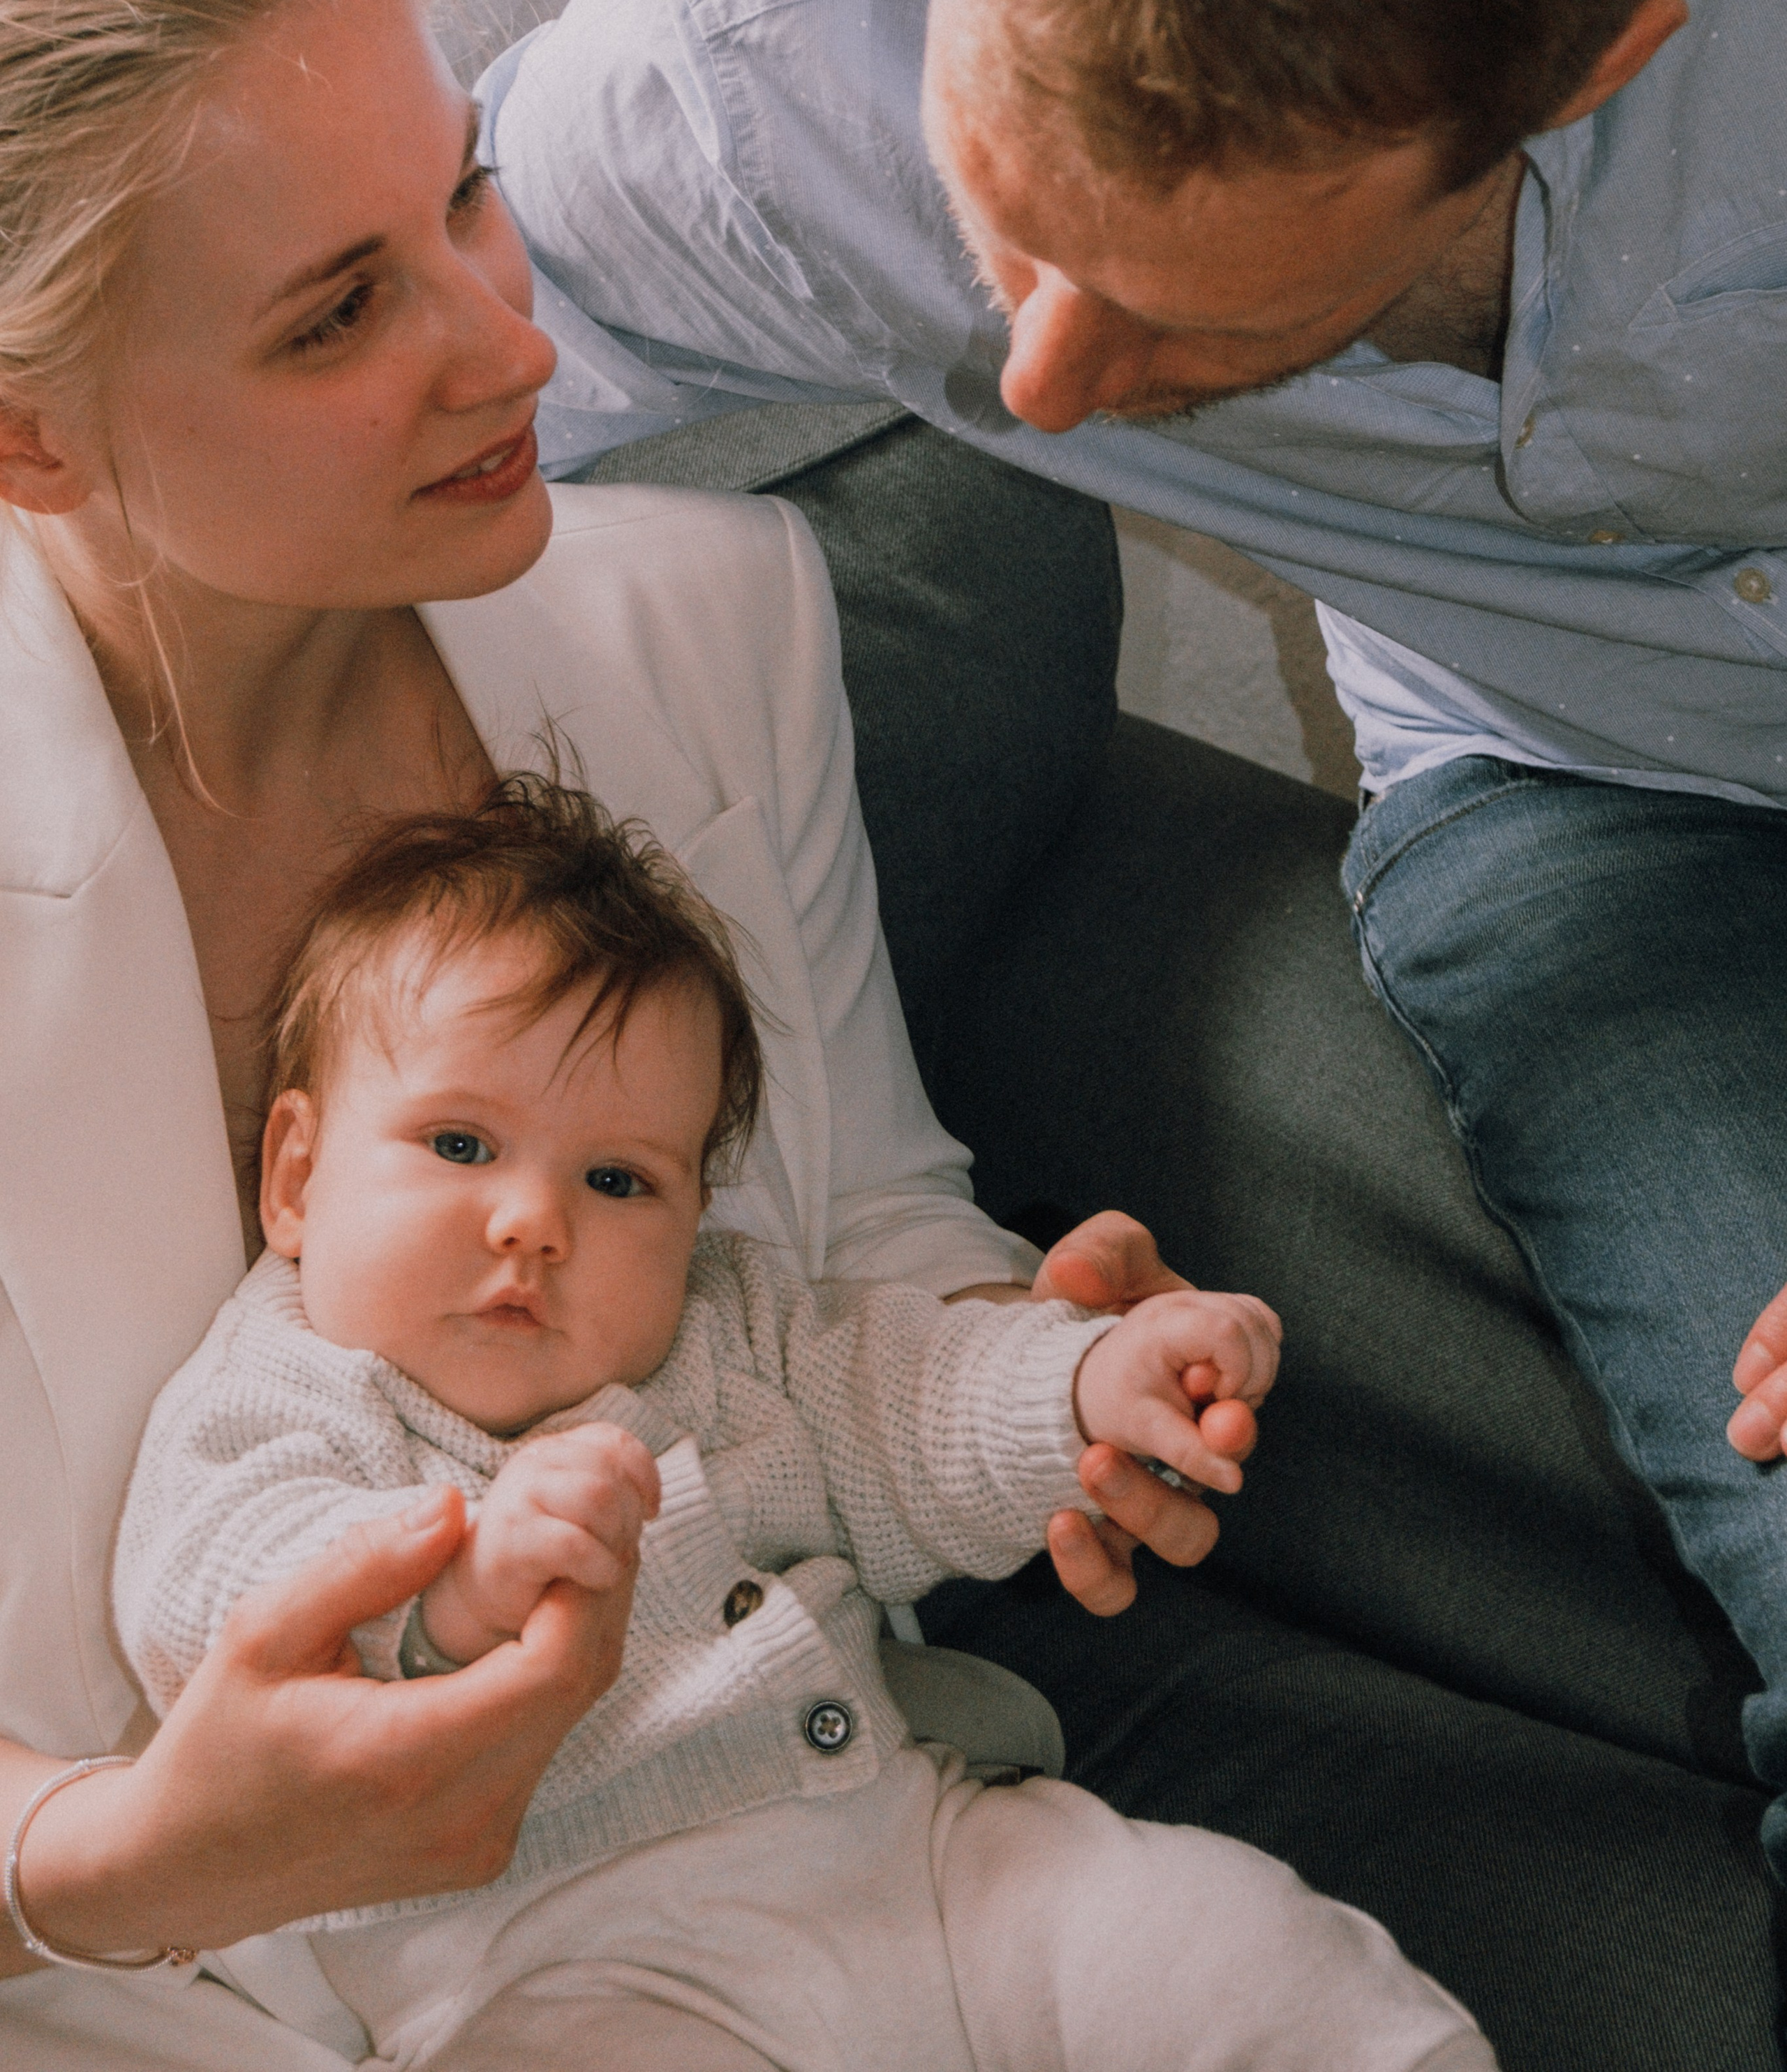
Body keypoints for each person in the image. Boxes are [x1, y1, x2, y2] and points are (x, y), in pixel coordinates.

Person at [478, 0, 1787, 1876]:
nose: (1051, 381)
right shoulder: (779, 64)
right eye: (1003, 221)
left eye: (1196, 329)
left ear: (1583, 70)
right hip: (1603, 807)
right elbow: (252, 341)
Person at [0, 0, 1201, 2072]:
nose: (513, 340)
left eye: (464, 194)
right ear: (27, 428)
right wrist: (131, 1847)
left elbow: (856, 1221)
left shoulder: (709, 626)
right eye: (338, 310)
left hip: (773, 1858)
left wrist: (1028, 1371)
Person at [110, 774, 1489, 2072]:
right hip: (560, 1961)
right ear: (295, 1175)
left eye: (617, 1180)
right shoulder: (282, 1389)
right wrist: (455, 1585)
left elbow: (911, 1403)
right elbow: (218, 1594)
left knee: (1232, 1948)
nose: (533, 1223)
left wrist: (1083, 1381)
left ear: (693, 1218)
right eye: (460, 1145)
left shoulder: (727, 1330)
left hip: (917, 1860)